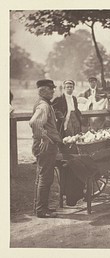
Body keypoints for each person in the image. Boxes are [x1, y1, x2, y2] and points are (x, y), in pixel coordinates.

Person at [29, 79, 62, 218]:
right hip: (46, 147)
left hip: (44, 146)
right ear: (42, 90)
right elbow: (35, 122)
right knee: (45, 178)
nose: (53, 91)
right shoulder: (43, 105)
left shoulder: (43, 103)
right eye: (50, 88)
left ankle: (40, 208)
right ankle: (41, 211)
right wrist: (44, 137)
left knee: (42, 177)